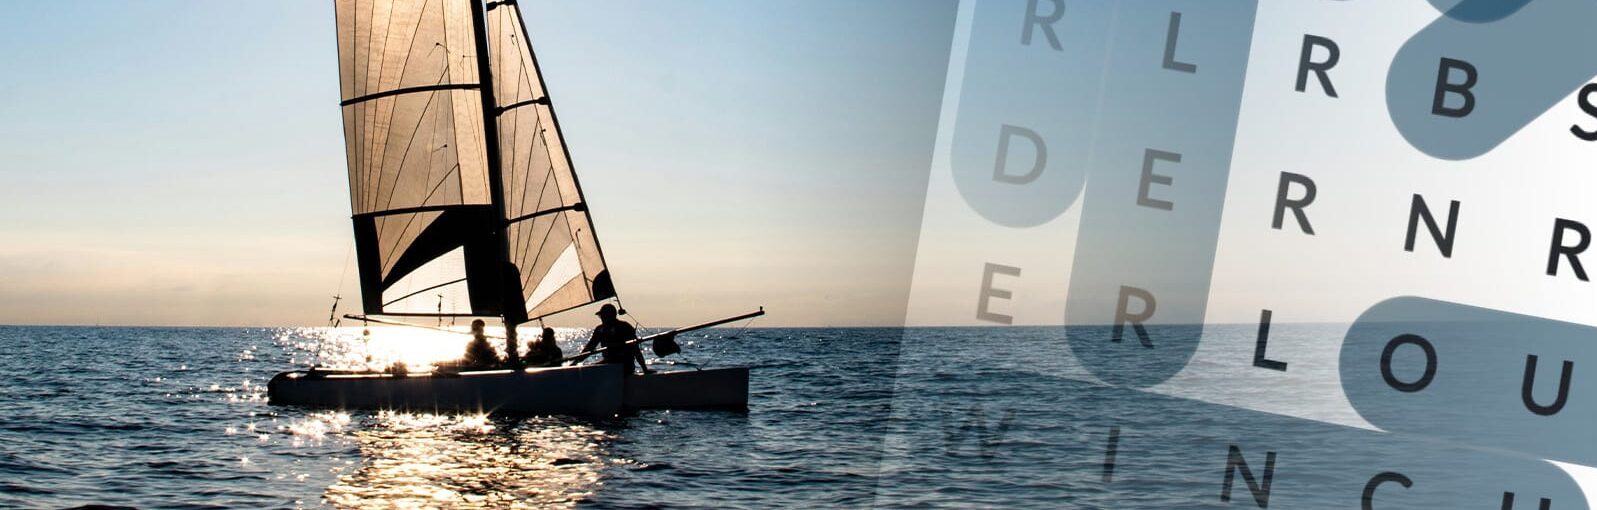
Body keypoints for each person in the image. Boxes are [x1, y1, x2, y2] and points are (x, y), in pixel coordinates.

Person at [580, 304, 652, 375]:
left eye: (603, 316)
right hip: (608, 363)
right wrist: (577, 361)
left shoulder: (624, 327)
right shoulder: (599, 329)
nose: (602, 319)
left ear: (611, 316)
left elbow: (636, 350)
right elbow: (590, 347)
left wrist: (644, 369)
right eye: (601, 316)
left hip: (625, 365)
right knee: (589, 371)